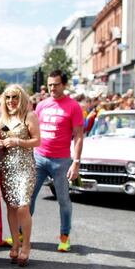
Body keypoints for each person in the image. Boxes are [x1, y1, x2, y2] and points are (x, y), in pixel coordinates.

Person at [30, 70, 84, 252]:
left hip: (61, 161)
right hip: (39, 158)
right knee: (28, 198)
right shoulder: (42, 105)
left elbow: (78, 136)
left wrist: (76, 161)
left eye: (56, 84)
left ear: (64, 85)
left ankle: (64, 236)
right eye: (50, 84)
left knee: (63, 200)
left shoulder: (73, 106)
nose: (52, 88)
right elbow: (33, 131)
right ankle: (21, 233)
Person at [0, 84, 40, 266]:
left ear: (21, 98)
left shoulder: (29, 116)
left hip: (25, 168)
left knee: (23, 205)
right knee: (11, 207)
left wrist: (18, 141)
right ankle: (15, 244)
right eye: (7, 97)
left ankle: (26, 246)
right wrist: (0, 144)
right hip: (7, 168)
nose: (11, 101)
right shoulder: (2, 120)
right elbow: (1, 142)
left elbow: (37, 141)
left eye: (14, 97)